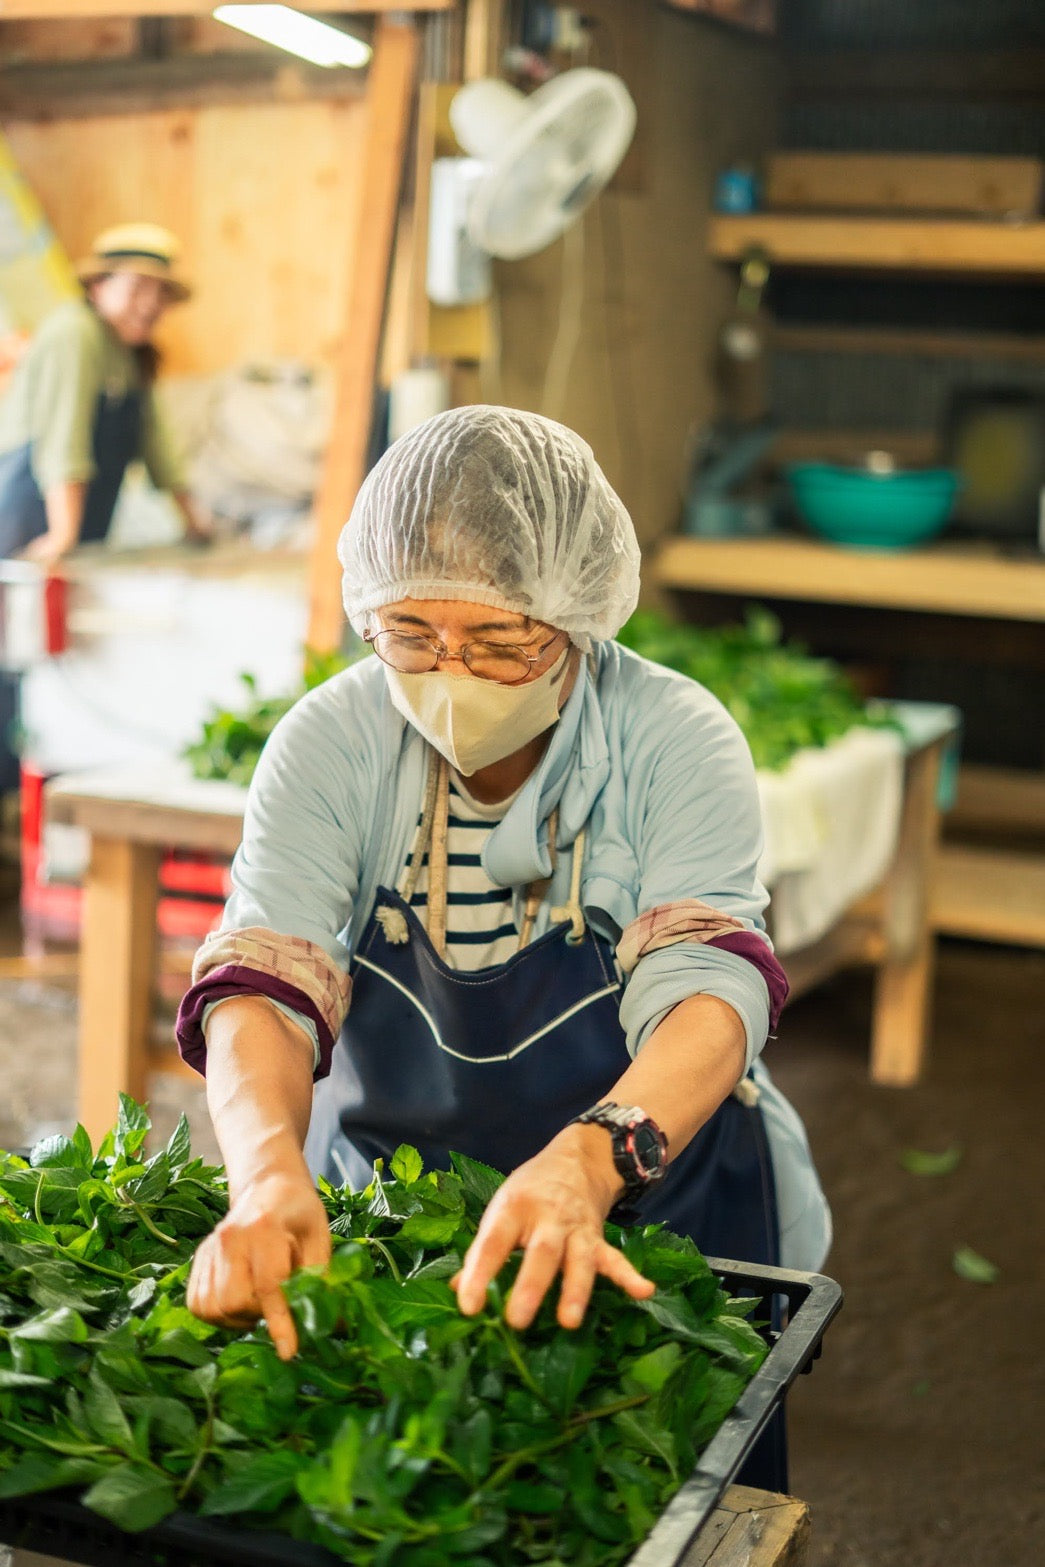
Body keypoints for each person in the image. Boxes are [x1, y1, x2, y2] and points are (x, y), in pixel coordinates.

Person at [179, 406, 830, 1371]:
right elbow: (265, 983)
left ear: (574, 614)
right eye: (409, 631)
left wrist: (588, 1157)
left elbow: (707, 987)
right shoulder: (329, 742)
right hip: (404, 1208)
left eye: (497, 638)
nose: (453, 674)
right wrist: (266, 1173)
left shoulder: (673, 738)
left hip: (655, 1193)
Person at [0, 222, 209, 564]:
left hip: (80, 523)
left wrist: (194, 521)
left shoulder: (132, 353)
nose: (151, 304)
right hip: (27, 516)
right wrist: (62, 537)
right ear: (98, 287)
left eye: (161, 293)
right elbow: (63, 439)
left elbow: (157, 445)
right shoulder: (75, 334)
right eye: (139, 286)